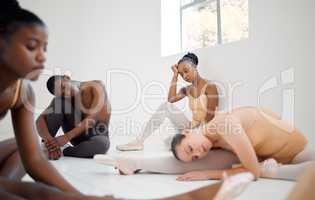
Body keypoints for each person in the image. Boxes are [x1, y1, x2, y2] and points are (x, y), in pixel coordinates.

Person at [171, 106, 315, 181]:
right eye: (194, 158)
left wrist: (206, 174)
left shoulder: (223, 124)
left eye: (190, 149)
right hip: (286, 161)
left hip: (300, 152)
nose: (198, 154)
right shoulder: (213, 142)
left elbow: (254, 173)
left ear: (187, 132)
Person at [117, 52, 219, 151]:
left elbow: (211, 117)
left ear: (195, 67)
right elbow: (170, 100)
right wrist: (175, 75)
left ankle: (189, 141)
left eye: (186, 71)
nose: (185, 76)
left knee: (172, 142)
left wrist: (195, 133)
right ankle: (139, 141)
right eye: (181, 74)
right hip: (191, 126)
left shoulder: (210, 86)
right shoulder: (187, 89)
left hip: (205, 128)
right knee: (166, 108)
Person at [36, 75, 111, 159]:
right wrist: (48, 140)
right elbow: (39, 120)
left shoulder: (96, 86)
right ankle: (51, 147)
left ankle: (64, 150)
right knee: (58, 103)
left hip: (97, 135)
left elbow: (92, 119)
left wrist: (66, 137)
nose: (66, 93)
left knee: (102, 145)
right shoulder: (61, 99)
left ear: (66, 78)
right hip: (76, 137)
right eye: (62, 94)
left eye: (64, 87)